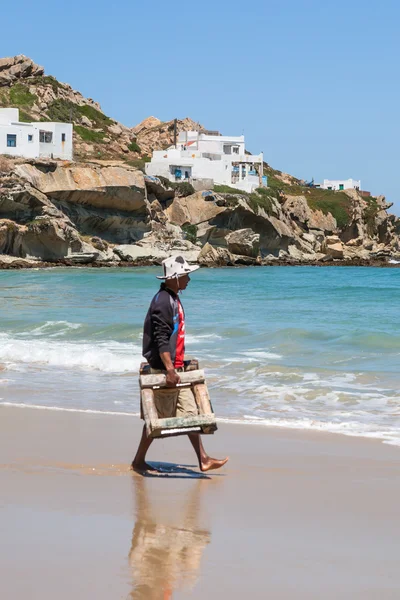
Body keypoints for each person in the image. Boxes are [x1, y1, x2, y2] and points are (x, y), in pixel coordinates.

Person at [132, 255, 228, 473]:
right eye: (185, 275)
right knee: (158, 417)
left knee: (190, 413)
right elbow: (161, 338)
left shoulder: (172, 298)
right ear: (174, 278)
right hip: (166, 368)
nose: (188, 280)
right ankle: (138, 461)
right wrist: (169, 369)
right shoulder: (163, 302)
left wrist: (178, 364)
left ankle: (203, 459)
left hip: (175, 366)